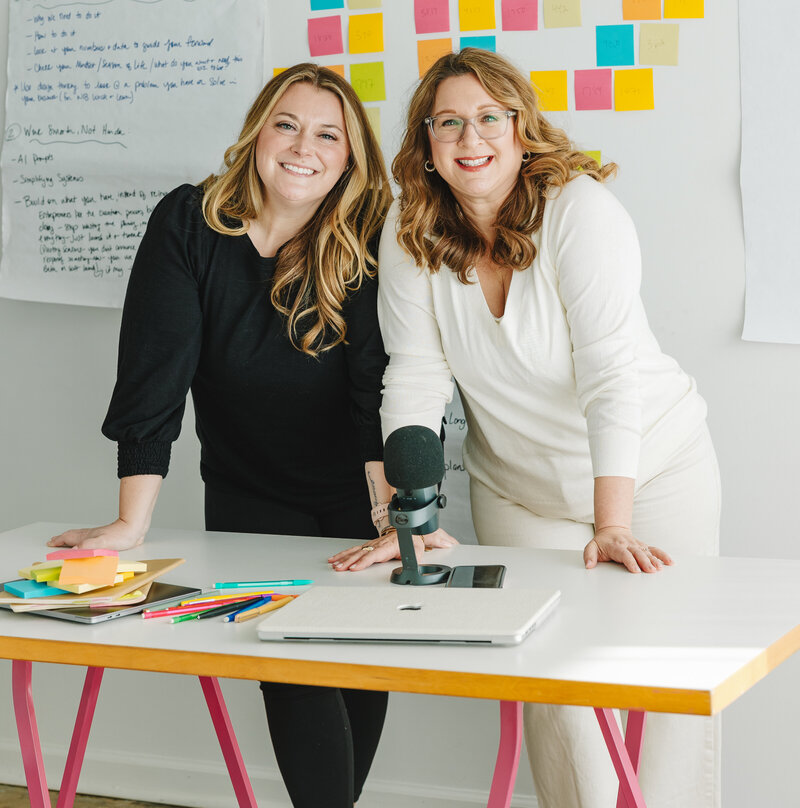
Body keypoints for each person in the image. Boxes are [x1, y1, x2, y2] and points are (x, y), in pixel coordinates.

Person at [331, 48, 721, 808]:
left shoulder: (581, 213)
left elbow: (610, 373)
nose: (469, 138)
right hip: (522, 493)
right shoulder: (412, 232)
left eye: (487, 118)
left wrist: (613, 525)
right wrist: (410, 520)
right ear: (428, 144)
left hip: (655, 471)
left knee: (672, 683)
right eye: (449, 122)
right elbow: (412, 378)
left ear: (521, 128)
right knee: (557, 688)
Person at [48, 61, 399, 808]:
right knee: (292, 666)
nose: (304, 146)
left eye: (328, 134)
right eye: (288, 124)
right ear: (258, 134)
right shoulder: (190, 221)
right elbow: (155, 371)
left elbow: (375, 383)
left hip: (354, 493)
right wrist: (129, 522)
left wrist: (388, 515)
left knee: (361, 671)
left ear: (348, 159)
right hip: (250, 491)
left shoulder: (368, 238)